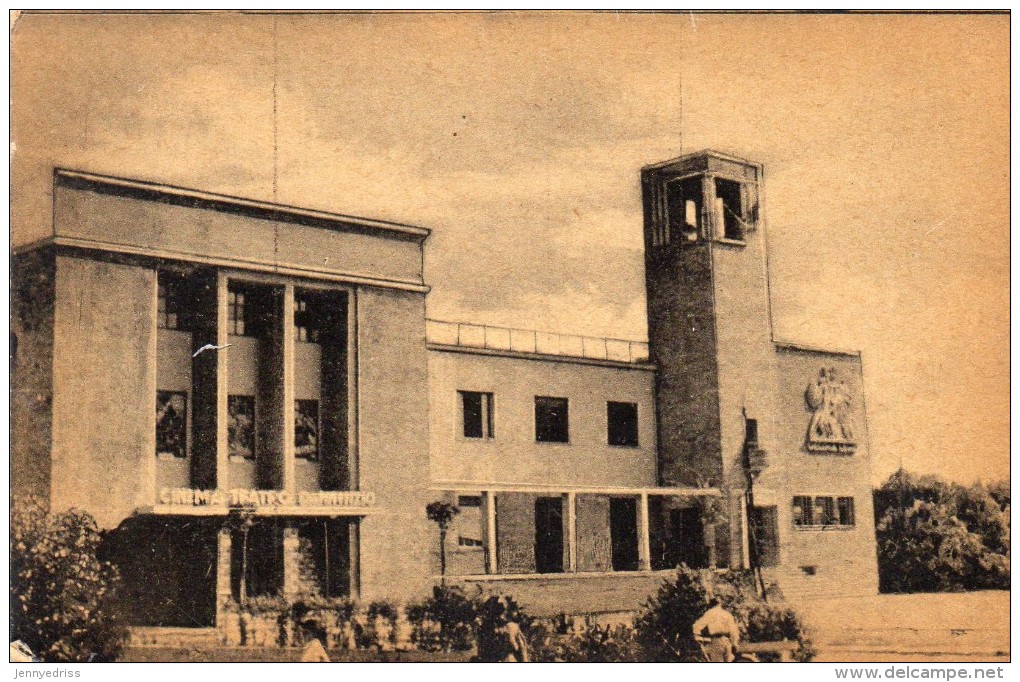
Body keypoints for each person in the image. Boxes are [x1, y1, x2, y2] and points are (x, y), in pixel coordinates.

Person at [692, 597, 740, 662]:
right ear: (720, 604)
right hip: (727, 641)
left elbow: (697, 625)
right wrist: (734, 644)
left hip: (716, 642)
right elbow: (733, 631)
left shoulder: (710, 613)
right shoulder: (727, 614)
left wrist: (697, 636)